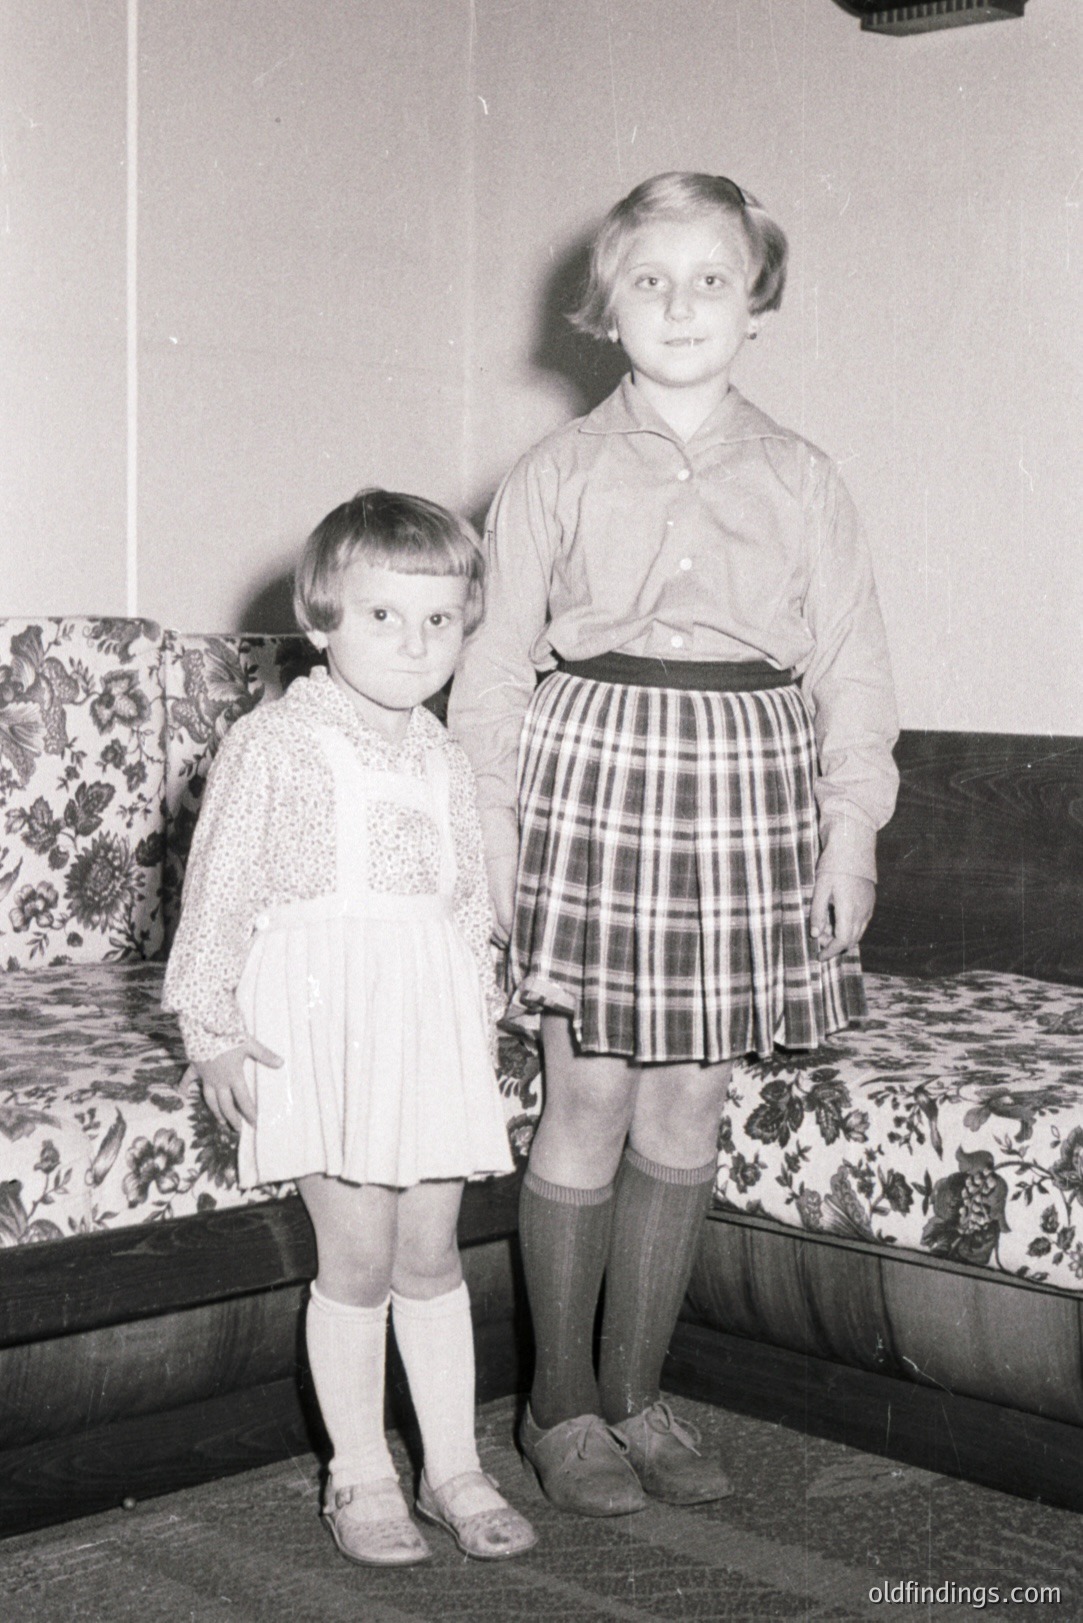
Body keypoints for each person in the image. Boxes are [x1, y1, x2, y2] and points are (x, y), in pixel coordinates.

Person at [448, 172, 899, 1516]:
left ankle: (635, 1392)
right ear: (600, 310)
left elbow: (852, 671)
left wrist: (849, 831)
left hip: (749, 794)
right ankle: (557, 1406)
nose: (681, 303)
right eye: (649, 279)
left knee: (687, 1101)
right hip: (590, 787)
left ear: (754, 302)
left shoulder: (805, 478)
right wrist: (494, 844)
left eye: (712, 277)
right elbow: (487, 679)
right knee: (583, 1097)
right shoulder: (553, 470)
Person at [163, 490, 537, 1567]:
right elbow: (220, 894)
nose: (415, 644)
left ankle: (454, 1465)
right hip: (321, 1027)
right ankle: (360, 1472)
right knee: (361, 1255)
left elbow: (467, 903)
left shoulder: (445, 758)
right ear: (322, 616)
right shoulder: (272, 742)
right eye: (384, 616)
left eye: (438, 620)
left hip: (423, 1024)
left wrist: (477, 1014)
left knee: (432, 1253)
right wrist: (212, 1029)